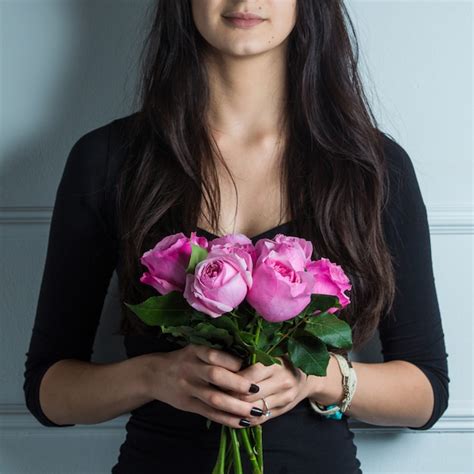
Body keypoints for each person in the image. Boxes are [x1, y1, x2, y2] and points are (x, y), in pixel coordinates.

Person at [23, 1, 450, 473]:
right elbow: (48, 390)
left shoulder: (374, 168)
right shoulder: (107, 160)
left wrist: (320, 378)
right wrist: (154, 377)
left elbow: (426, 392)